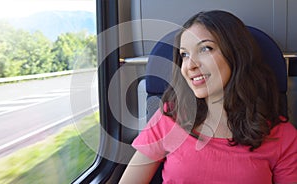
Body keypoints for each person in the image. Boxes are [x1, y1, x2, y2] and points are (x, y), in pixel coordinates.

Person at [119, 10, 297, 183]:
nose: (190, 65)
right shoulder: (169, 118)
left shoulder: (282, 136)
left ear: (236, 54)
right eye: (184, 55)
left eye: (205, 49)